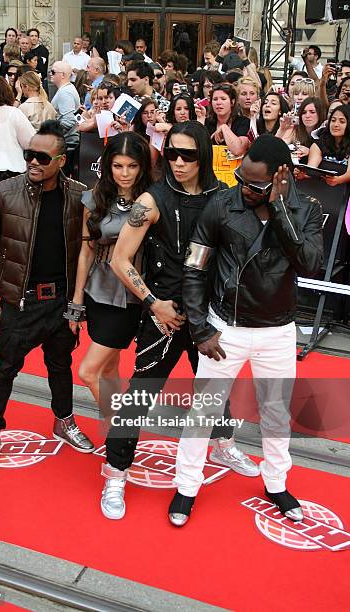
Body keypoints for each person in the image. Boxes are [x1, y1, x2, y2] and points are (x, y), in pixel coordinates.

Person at [100, 121, 259, 521]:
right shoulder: (151, 200)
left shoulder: (224, 197)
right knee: (139, 396)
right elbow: (119, 259)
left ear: (204, 154)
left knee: (214, 391)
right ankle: (116, 472)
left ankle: (222, 444)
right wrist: (153, 303)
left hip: (208, 315)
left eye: (188, 154)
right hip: (164, 315)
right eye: (171, 153)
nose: (178, 162)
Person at [169, 135, 324, 526]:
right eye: (241, 178)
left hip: (278, 331)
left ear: (280, 178)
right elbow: (194, 268)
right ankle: (186, 486)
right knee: (202, 413)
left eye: (255, 185)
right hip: (225, 329)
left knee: (276, 414)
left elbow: (309, 264)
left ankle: (276, 482)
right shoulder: (221, 205)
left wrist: (280, 210)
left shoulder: (305, 210)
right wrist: (201, 328)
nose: (245, 188)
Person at [0, 119, 94, 473]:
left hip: (60, 303)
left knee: (61, 366)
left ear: (61, 160)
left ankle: (63, 421)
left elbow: (87, 252)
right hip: (19, 302)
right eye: (29, 155)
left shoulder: (78, 195)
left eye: (43, 157)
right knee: (4, 369)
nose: (34, 163)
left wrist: (75, 308)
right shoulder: (5, 192)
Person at [66, 133, 152, 416]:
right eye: (118, 166)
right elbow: (86, 251)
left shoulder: (152, 200)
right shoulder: (93, 198)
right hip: (97, 291)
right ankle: (120, 441)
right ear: (107, 166)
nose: (125, 173)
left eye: (132, 166)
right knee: (110, 368)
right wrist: (77, 302)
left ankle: (120, 431)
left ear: (142, 166)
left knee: (88, 372)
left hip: (130, 295)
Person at [199, 83, 250, 157]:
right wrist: (200, 119)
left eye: (223, 99)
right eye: (215, 99)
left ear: (232, 102)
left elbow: (238, 150)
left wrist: (224, 128)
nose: (218, 103)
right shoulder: (207, 122)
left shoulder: (243, 122)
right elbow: (199, 149)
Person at [307, 104, 350, 186]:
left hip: (344, 189)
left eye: (342, 121)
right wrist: (304, 174)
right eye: (333, 120)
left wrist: (338, 180)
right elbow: (311, 168)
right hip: (320, 187)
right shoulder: (319, 143)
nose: (336, 124)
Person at [50, 61, 80, 177]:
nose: (50, 74)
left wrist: (53, 134)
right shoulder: (67, 89)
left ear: (62, 75)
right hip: (67, 143)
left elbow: (69, 121)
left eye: (53, 72)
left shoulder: (65, 92)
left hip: (67, 144)